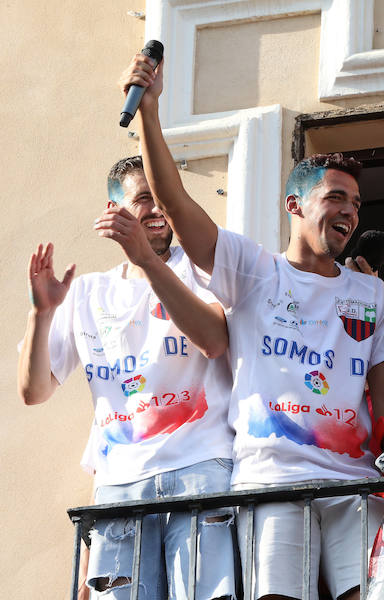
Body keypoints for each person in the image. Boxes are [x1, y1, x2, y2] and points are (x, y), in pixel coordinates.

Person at [120, 56, 384, 600]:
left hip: (354, 484)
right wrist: (150, 115)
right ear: (294, 204)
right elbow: (176, 205)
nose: (350, 212)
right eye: (336, 197)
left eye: (356, 203)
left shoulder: (371, 292)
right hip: (271, 481)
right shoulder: (254, 271)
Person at [17, 156, 236, 599]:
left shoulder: (203, 269)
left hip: (200, 468)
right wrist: (42, 315)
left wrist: (147, 261)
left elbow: (215, 341)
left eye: (162, 197)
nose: (157, 209)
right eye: (143, 199)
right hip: (119, 483)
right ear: (113, 211)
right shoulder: (87, 292)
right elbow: (34, 390)